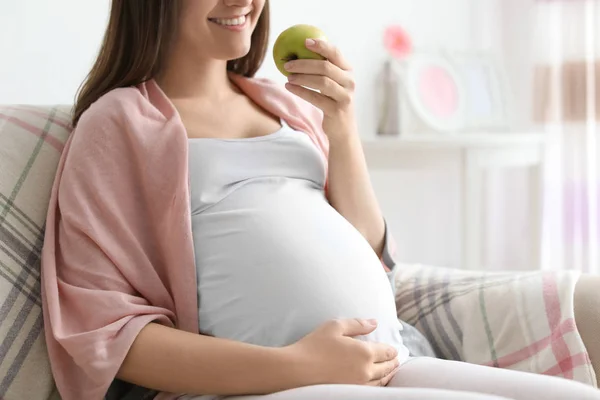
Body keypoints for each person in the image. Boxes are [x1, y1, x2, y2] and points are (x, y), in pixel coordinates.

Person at [39, 1, 600, 400]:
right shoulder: (118, 123)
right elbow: (107, 332)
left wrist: (342, 127)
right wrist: (292, 366)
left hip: (389, 360)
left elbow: (374, 253)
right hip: (272, 383)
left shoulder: (287, 106)